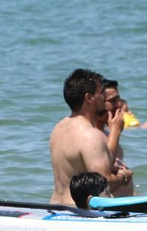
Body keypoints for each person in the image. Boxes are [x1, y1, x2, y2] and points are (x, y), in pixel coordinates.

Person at [49, 69, 133, 206]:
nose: (104, 98)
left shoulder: (58, 128)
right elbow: (103, 185)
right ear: (89, 98)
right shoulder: (90, 135)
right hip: (79, 213)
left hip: (57, 207)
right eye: (101, 93)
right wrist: (124, 177)